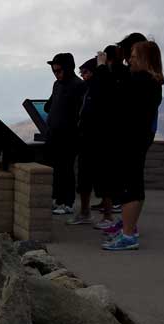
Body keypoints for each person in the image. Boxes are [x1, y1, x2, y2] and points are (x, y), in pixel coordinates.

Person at [103, 40, 164, 251]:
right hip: (137, 139)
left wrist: (105, 68)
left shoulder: (141, 81)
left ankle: (128, 235)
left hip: (131, 140)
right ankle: (128, 230)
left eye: (134, 57)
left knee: (131, 187)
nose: (130, 61)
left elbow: (114, 93)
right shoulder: (152, 82)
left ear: (145, 59)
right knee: (134, 184)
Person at [44, 53, 86, 215]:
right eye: (54, 71)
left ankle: (67, 203)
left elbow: (81, 112)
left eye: (59, 70)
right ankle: (57, 200)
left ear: (68, 68)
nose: (56, 74)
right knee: (57, 168)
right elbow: (50, 105)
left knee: (66, 168)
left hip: (70, 136)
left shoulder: (79, 86)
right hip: (54, 134)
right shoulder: (57, 85)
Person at [67, 58, 103, 225]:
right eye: (82, 73)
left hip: (96, 139)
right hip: (84, 139)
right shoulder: (85, 90)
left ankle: (108, 215)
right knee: (84, 178)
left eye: (86, 72)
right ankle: (85, 211)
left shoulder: (100, 90)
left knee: (102, 179)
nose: (83, 76)